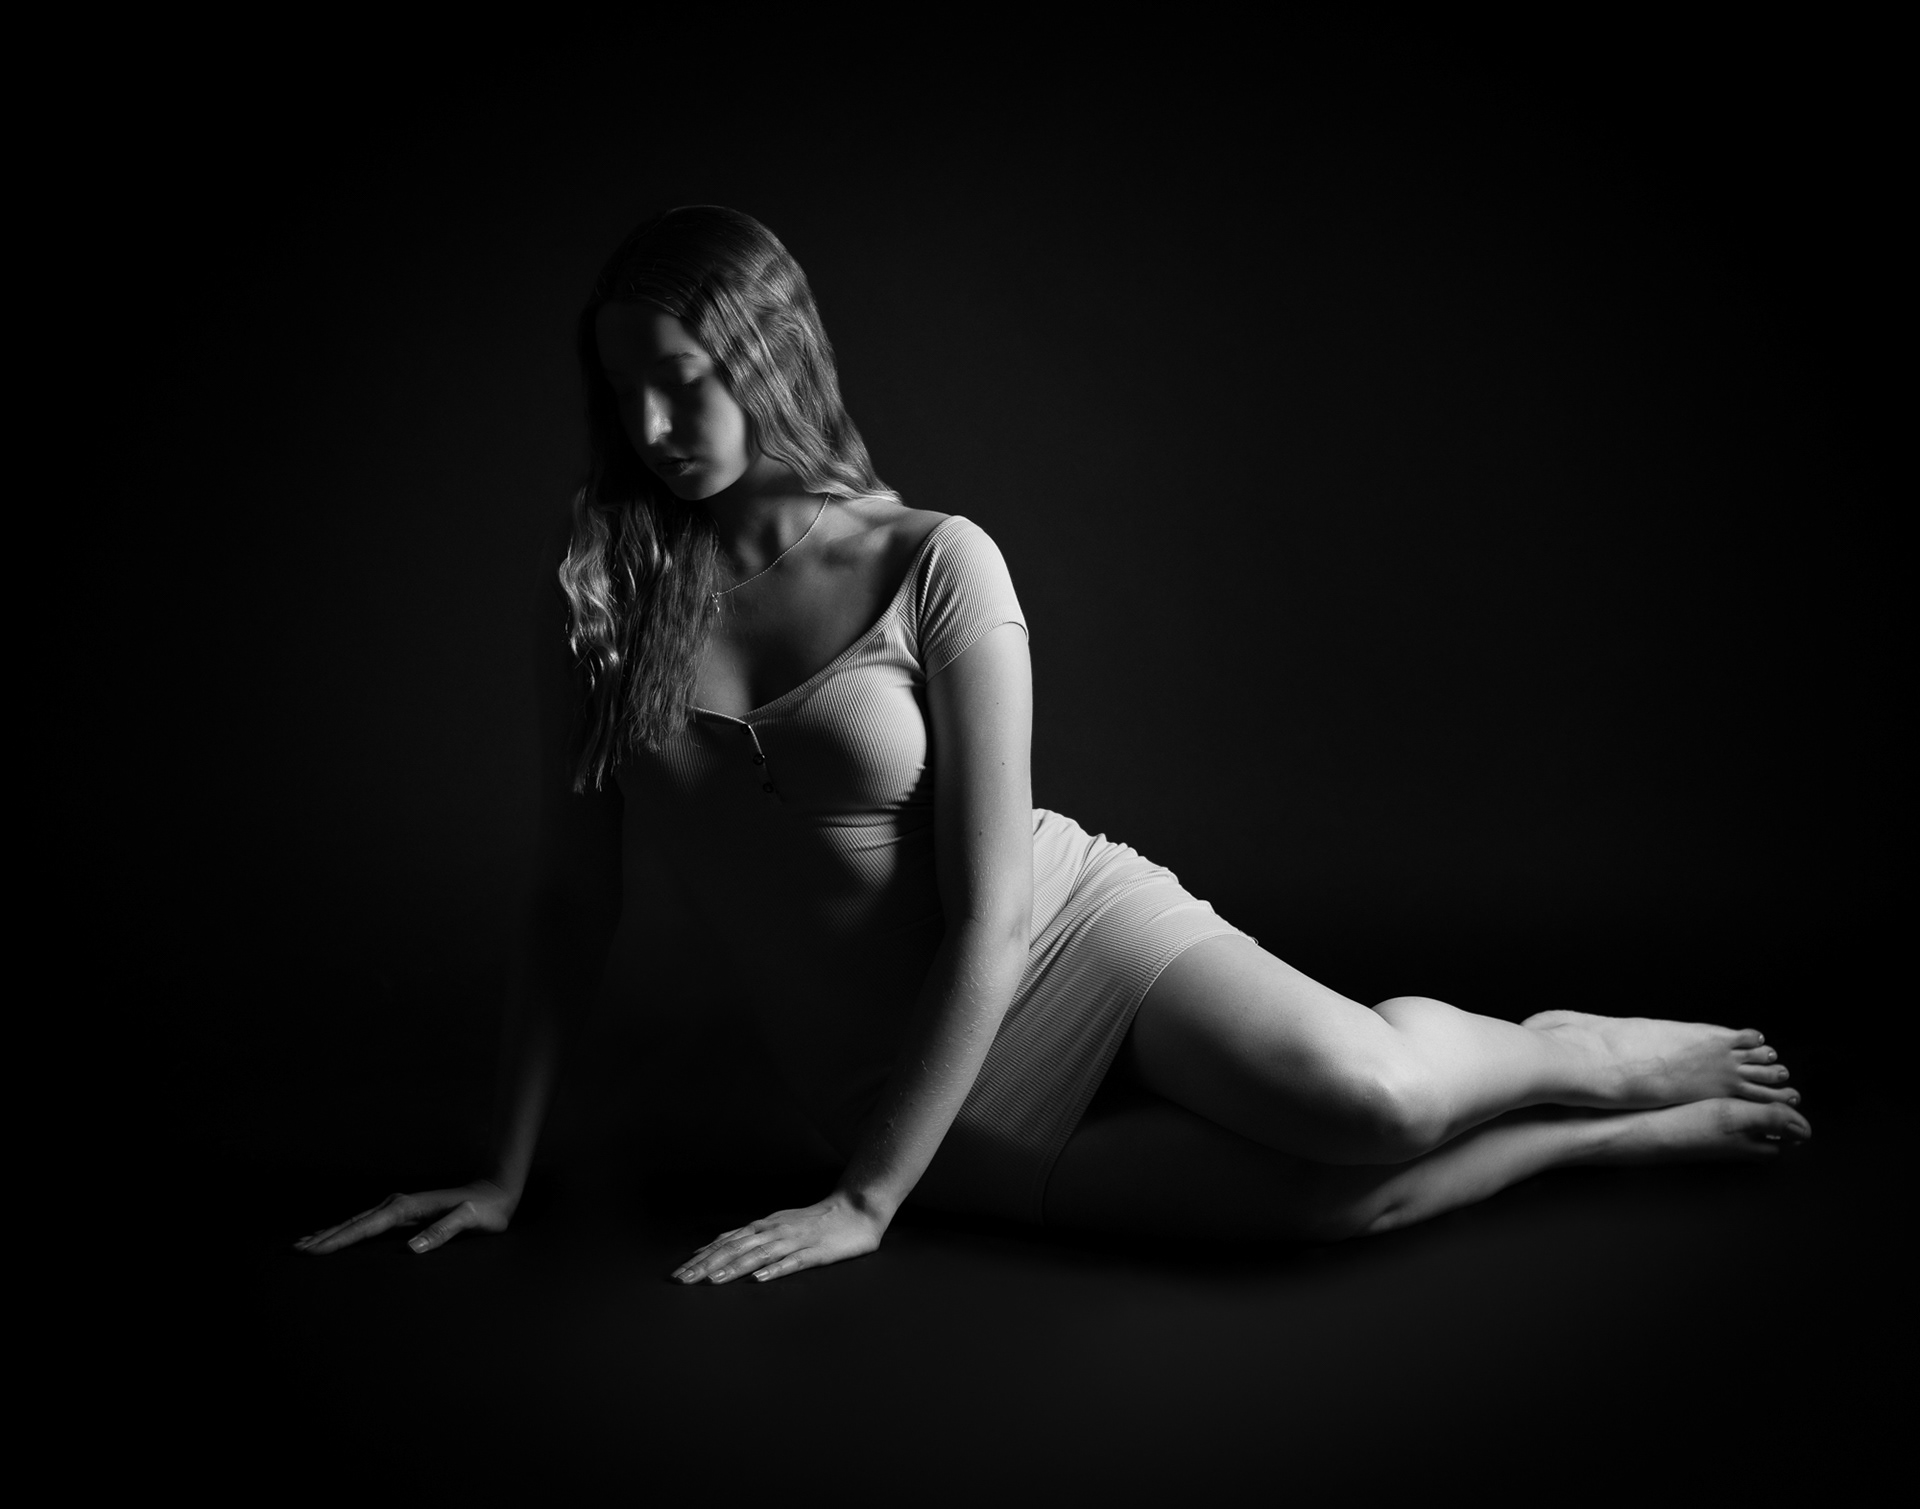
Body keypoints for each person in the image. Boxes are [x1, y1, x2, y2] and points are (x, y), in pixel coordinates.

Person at [297, 206, 1810, 1281]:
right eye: (620, 386)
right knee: (1316, 1219)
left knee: (1374, 1106)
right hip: (879, 1067)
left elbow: (992, 909)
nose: (648, 420)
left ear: (768, 359)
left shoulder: (935, 559)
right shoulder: (601, 594)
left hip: (1058, 936)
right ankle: (1586, 1142)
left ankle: (1564, 1052)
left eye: (683, 376)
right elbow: (573, 901)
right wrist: (501, 1175)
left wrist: (870, 1202)